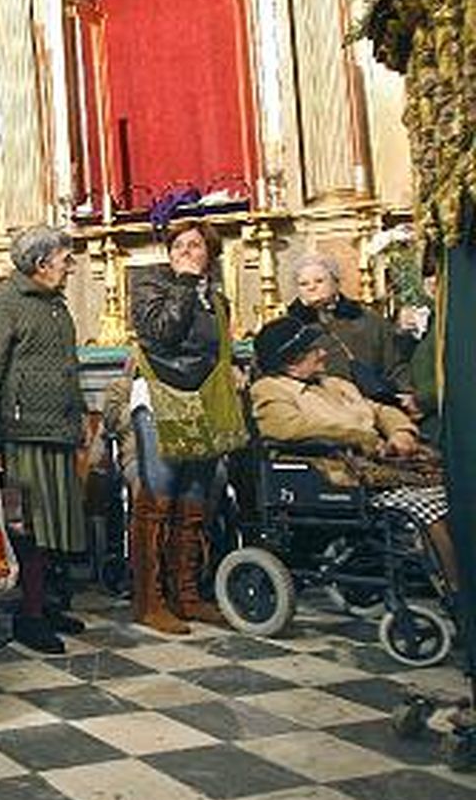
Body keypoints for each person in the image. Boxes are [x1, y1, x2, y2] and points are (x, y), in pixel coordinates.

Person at [251, 316, 459, 590]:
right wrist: (360, 437)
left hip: (378, 466)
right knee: (430, 511)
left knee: (455, 496)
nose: (323, 352)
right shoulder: (269, 390)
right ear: (292, 361)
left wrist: (401, 432)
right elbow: (289, 428)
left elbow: (380, 410)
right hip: (335, 475)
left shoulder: (336, 384)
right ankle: (456, 589)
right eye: (314, 350)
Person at [0, 224, 87, 653]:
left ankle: (47, 603)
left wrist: (76, 427)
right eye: (64, 258)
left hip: (56, 431)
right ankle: (29, 615)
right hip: (21, 437)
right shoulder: (3, 304)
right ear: (41, 263)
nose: (70, 266)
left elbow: (66, 368)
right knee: (29, 527)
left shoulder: (54, 304)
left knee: (55, 526)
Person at [129, 220, 243, 632]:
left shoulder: (217, 298)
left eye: (195, 245)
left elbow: (217, 349)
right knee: (159, 498)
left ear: (210, 253)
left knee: (195, 499)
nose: (185, 251)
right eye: (178, 245)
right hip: (162, 396)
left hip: (204, 401)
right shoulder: (150, 286)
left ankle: (186, 593)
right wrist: (184, 282)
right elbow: (163, 331)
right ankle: (149, 601)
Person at [288, 252, 412, 409]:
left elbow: (394, 362)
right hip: (318, 408)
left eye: (319, 281)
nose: (312, 288)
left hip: (374, 403)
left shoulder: (368, 320)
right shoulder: (287, 329)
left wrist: (406, 392)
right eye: (303, 284)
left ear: (336, 282)